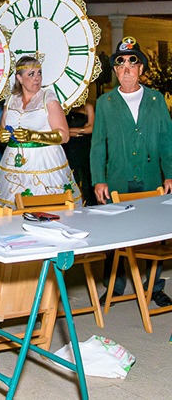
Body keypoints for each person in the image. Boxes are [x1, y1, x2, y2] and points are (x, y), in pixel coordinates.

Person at [91, 37, 172, 306]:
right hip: (116, 179)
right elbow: (98, 144)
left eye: (132, 63)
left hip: (151, 179)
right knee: (114, 234)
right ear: (115, 70)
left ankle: (155, 287)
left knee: (154, 234)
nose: (126, 68)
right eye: (121, 64)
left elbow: (166, 140)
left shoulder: (156, 100)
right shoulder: (105, 102)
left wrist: (169, 173)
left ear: (141, 69)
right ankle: (114, 286)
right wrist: (98, 179)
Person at [0, 56, 80, 208]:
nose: (37, 78)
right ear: (19, 78)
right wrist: (3, 134)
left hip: (44, 163)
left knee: (47, 208)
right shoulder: (11, 100)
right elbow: (3, 127)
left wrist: (34, 136)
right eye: (31, 74)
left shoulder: (48, 98)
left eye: (39, 73)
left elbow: (64, 135)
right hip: (13, 164)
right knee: (11, 211)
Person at [65, 101, 97, 207]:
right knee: (71, 175)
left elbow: (91, 128)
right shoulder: (63, 107)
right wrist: (82, 130)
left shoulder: (87, 106)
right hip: (68, 146)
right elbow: (59, 131)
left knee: (86, 176)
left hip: (84, 145)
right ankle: (73, 204)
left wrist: (70, 130)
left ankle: (90, 204)